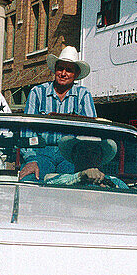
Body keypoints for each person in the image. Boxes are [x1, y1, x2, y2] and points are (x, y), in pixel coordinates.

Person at [18, 46, 97, 180]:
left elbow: (91, 132)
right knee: (28, 182)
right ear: (55, 70)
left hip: (71, 155)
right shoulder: (37, 92)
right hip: (40, 152)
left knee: (80, 186)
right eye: (60, 68)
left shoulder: (83, 95)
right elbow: (27, 129)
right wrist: (30, 159)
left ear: (76, 75)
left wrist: (86, 162)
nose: (63, 73)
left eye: (69, 70)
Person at [43, 135, 128, 189]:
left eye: (94, 153)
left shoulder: (116, 182)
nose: (88, 156)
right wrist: (81, 176)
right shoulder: (60, 179)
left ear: (101, 158)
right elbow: (48, 182)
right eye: (82, 151)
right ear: (73, 156)